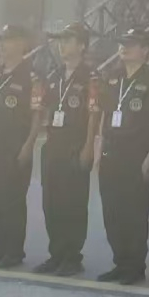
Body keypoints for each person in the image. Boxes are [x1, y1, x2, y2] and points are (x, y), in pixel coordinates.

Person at [96, 28, 149, 284]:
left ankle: (135, 266)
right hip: (111, 152)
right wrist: (98, 147)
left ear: (145, 50)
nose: (124, 48)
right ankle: (120, 262)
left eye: (131, 44)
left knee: (133, 211)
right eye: (122, 43)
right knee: (112, 211)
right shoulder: (113, 78)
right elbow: (105, 114)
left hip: (136, 154)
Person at [0, 24, 44, 269]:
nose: (1, 45)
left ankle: (13, 251)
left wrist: (28, 145)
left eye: (8, 40)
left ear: (22, 44)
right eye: (0, 40)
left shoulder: (31, 77)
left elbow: (37, 114)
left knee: (11, 200)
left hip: (13, 147)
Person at [33, 23, 99, 277]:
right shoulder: (55, 75)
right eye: (60, 40)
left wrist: (89, 146)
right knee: (51, 203)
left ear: (81, 45)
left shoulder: (91, 77)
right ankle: (56, 254)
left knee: (73, 203)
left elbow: (94, 114)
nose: (62, 45)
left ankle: (72, 257)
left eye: (68, 40)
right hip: (53, 147)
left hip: (75, 146)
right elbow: (45, 109)